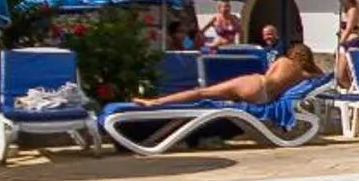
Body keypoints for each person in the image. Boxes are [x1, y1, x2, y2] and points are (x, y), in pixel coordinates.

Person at [132, 43, 319, 108]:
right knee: (206, 95)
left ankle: (157, 102)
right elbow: (322, 76)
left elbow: (266, 75)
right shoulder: (303, 74)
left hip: (255, 83)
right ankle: (156, 102)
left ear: (294, 53)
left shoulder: (283, 60)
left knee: (201, 92)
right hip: (263, 98)